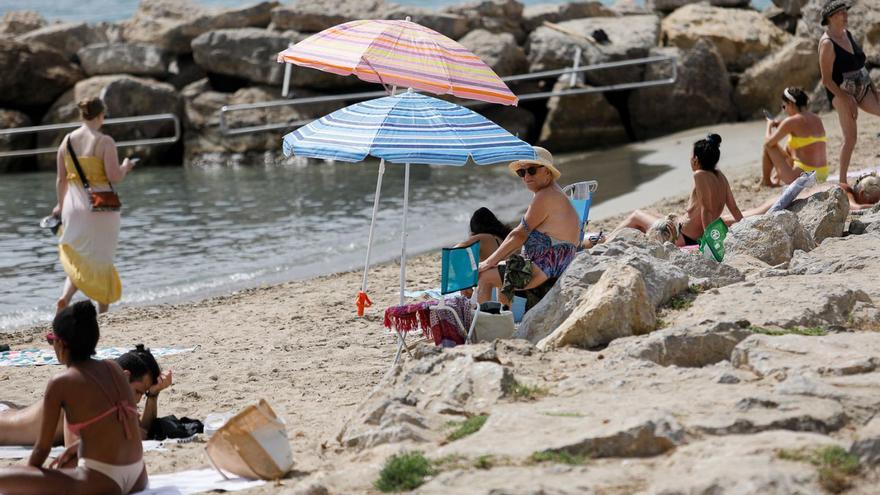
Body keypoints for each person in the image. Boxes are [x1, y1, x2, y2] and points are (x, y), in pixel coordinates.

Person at [0, 301, 147, 494]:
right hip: (138, 476)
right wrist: (78, 446)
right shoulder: (114, 369)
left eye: (52, 340)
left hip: (104, 480)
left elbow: (41, 450)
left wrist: (29, 475)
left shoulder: (61, 382)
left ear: (60, 344)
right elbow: (113, 424)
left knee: (6, 479)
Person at [53, 97, 135, 314]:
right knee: (101, 258)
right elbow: (114, 176)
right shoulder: (105, 141)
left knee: (80, 256)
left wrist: (60, 207)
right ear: (100, 116)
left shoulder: (67, 141)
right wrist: (126, 167)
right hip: (101, 206)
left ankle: (65, 297)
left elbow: (61, 180)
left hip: (72, 205)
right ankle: (103, 313)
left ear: (82, 115)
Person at [0, 345, 172, 447]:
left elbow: (140, 428)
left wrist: (153, 395)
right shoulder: (92, 392)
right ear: (125, 377)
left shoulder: (106, 389)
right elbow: (140, 433)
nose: (138, 400)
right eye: (138, 392)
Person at [476, 146, 580, 305]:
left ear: (547, 171)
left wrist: (489, 261)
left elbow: (518, 235)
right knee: (504, 269)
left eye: (531, 170)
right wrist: (496, 261)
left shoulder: (545, 196)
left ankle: (486, 326)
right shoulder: (554, 192)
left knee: (485, 276)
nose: (526, 177)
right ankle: (503, 318)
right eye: (521, 172)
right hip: (555, 264)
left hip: (546, 268)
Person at [615, 134, 743, 245]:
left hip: (680, 236)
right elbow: (734, 208)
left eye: (691, 155)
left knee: (636, 215)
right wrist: (746, 227)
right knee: (648, 215)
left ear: (696, 160)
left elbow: (706, 210)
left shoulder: (699, 175)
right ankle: (606, 238)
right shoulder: (720, 176)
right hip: (683, 231)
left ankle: (603, 242)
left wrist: (709, 240)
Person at [818, 0, 880, 184]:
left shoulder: (847, 34)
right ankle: (843, 182)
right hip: (839, 90)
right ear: (829, 18)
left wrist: (874, 88)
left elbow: (860, 65)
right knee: (851, 138)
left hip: (861, 83)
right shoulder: (827, 43)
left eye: (846, 12)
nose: (846, 16)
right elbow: (826, 80)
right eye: (841, 13)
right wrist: (846, 98)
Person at [724, 174, 880, 223]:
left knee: (745, 215)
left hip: (787, 199)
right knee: (740, 219)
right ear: (862, 194)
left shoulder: (844, 186)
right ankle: (708, 225)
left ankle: (710, 223)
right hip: (787, 203)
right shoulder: (847, 193)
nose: (874, 205)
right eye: (873, 201)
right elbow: (857, 208)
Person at [762, 87, 828, 186]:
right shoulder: (817, 119)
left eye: (784, 107)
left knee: (768, 146)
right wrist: (780, 124)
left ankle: (766, 181)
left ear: (791, 104)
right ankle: (775, 177)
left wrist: (769, 124)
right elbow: (802, 130)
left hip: (803, 177)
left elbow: (769, 142)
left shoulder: (791, 121)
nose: (784, 111)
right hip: (822, 175)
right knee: (791, 144)